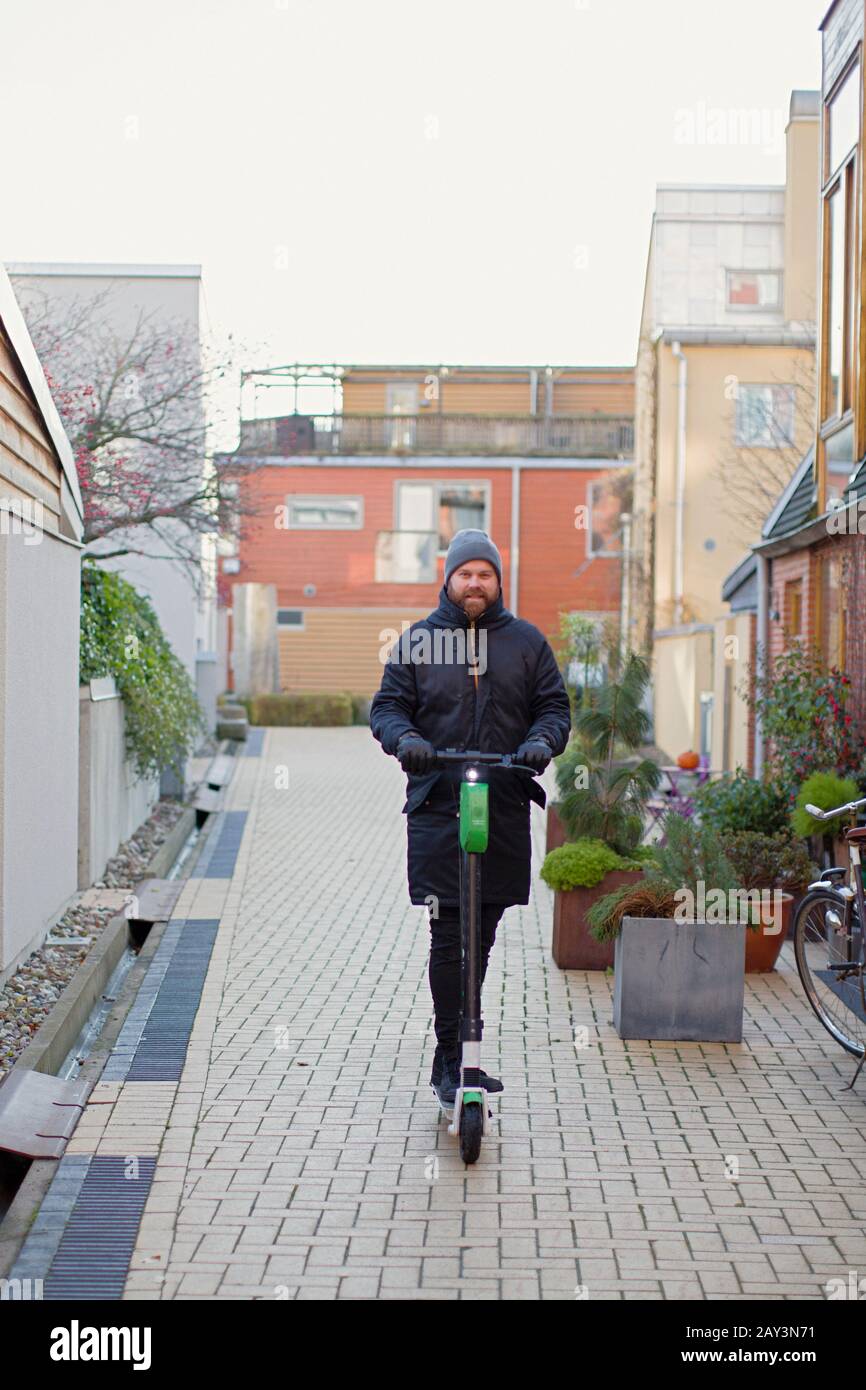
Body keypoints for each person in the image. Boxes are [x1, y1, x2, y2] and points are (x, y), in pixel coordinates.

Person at [369, 527, 572, 1107]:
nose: (475, 582)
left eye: (485, 573)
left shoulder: (527, 643)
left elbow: (553, 708)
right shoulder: (418, 643)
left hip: (502, 802)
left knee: (481, 933)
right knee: (449, 932)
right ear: (449, 579)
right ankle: (452, 1054)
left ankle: (458, 1051)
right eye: (466, 573)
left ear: (498, 581)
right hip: (438, 803)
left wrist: (540, 742)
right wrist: (406, 739)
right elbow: (387, 707)